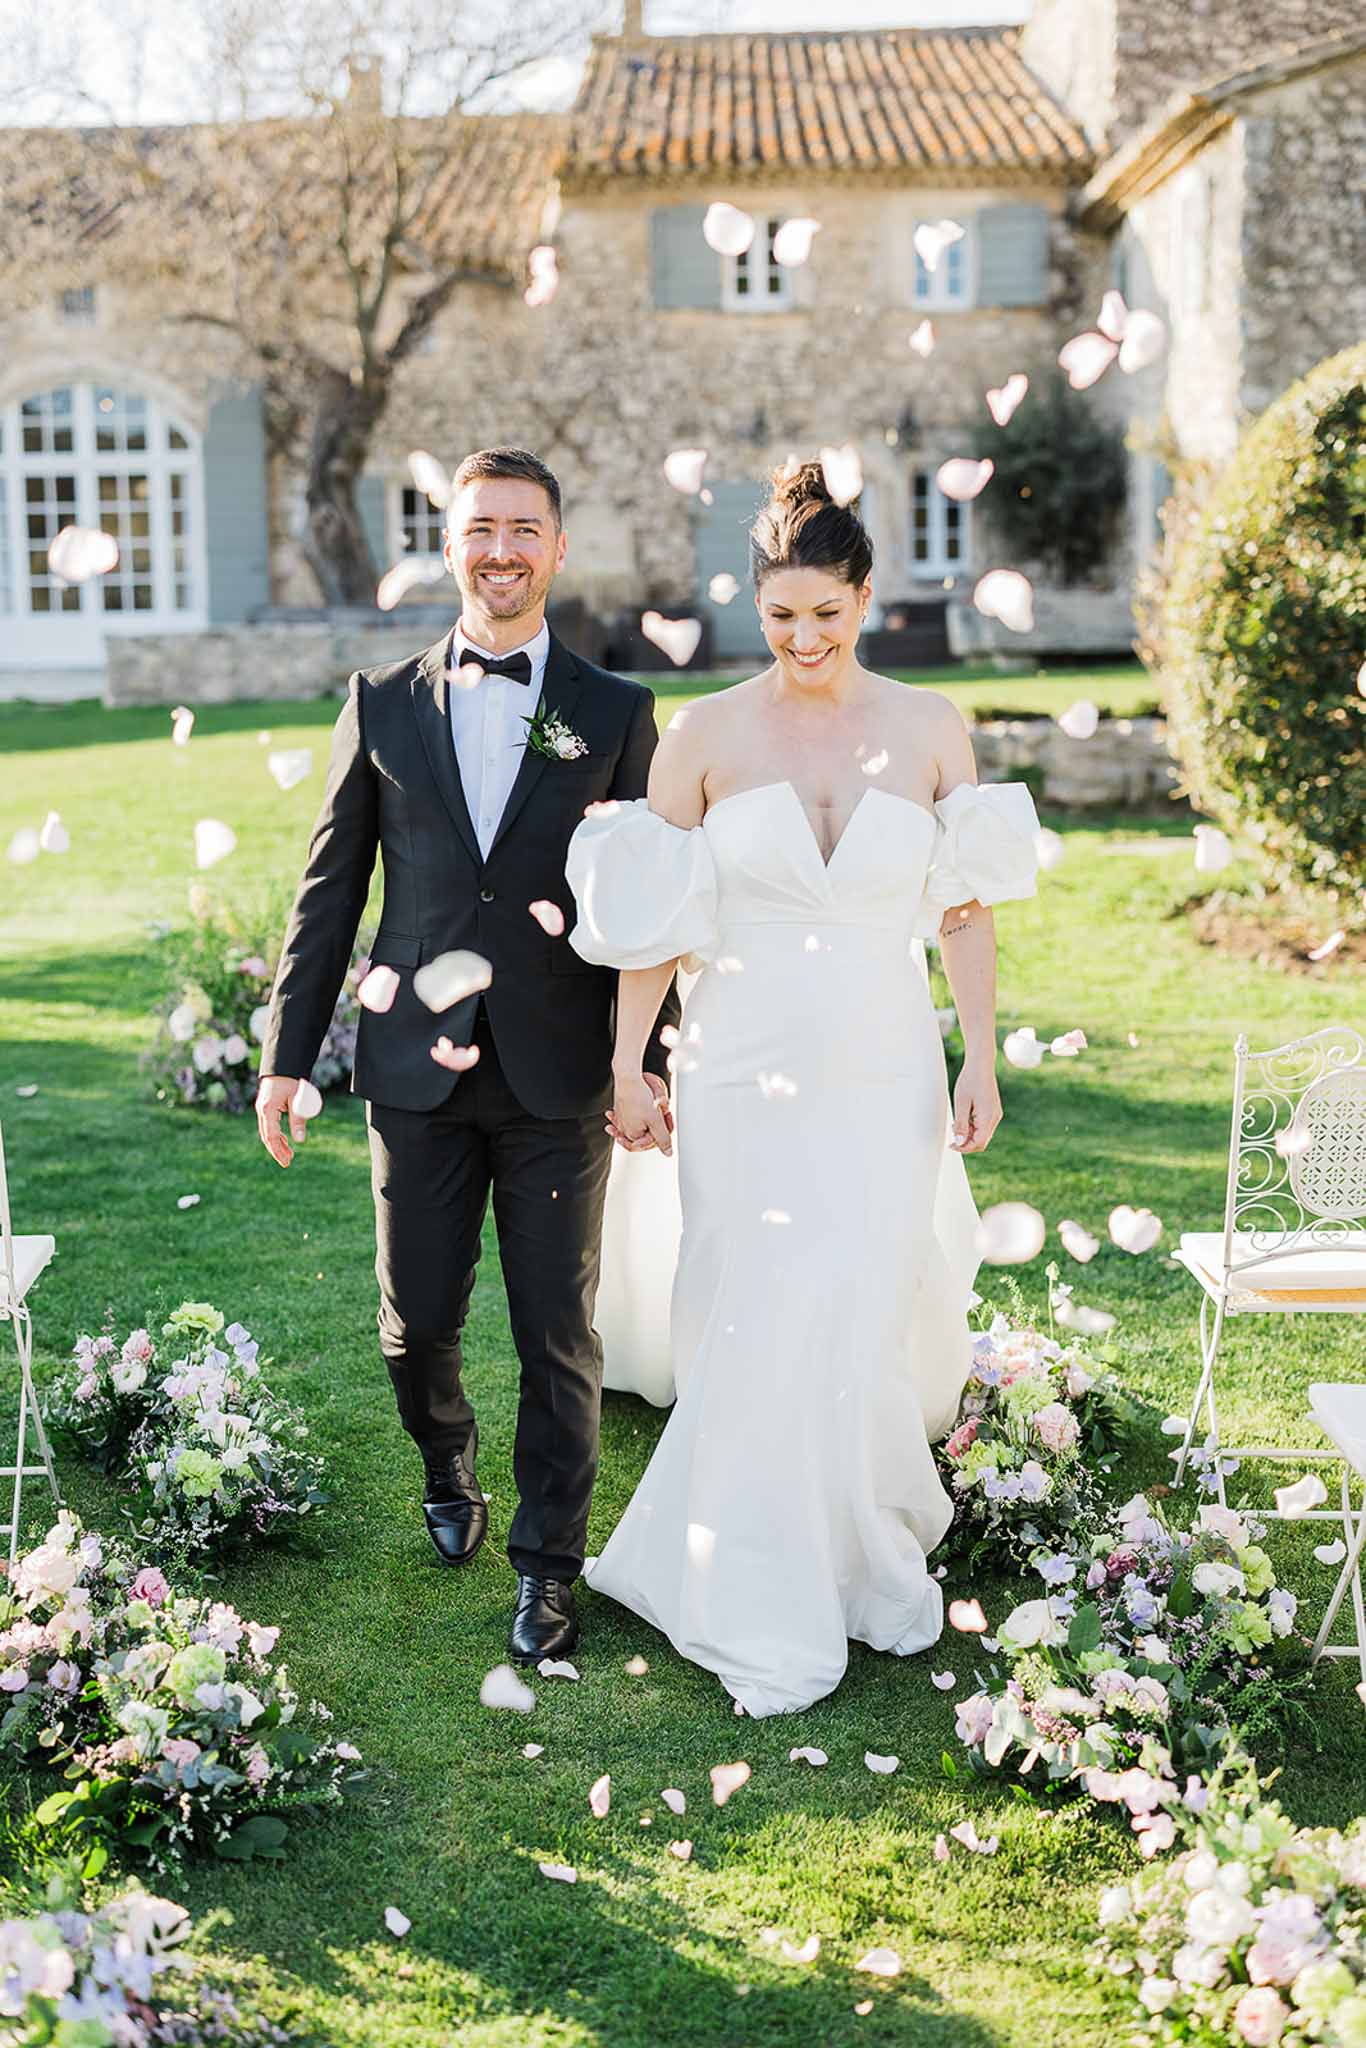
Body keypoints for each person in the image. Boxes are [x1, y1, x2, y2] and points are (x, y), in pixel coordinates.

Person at [564, 460, 1041, 1717]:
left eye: (825, 614)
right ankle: (744, 1560)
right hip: (741, 1065)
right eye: (781, 616)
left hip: (883, 1064)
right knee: (757, 1293)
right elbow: (654, 926)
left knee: (856, 1287)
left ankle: (849, 1541)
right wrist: (628, 1060)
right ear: (755, 603)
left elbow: (967, 911)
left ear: (865, 597)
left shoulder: (935, 728)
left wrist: (978, 1052)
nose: (803, 639)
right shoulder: (707, 733)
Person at [255, 447, 676, 1666]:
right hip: (412, 1068)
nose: (501, 549)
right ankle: (446, 1459)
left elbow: (648, 905)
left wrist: (644, 1058)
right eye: (479, 527)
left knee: (558, 1330)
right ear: (449, 546)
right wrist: (289, 1053)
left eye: (523, 528)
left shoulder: (612, 711)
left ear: (556, 546)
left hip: (558, 1073)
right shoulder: (379, 699)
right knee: (416, 1318)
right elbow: (331, 888)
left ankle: (549, 1564)